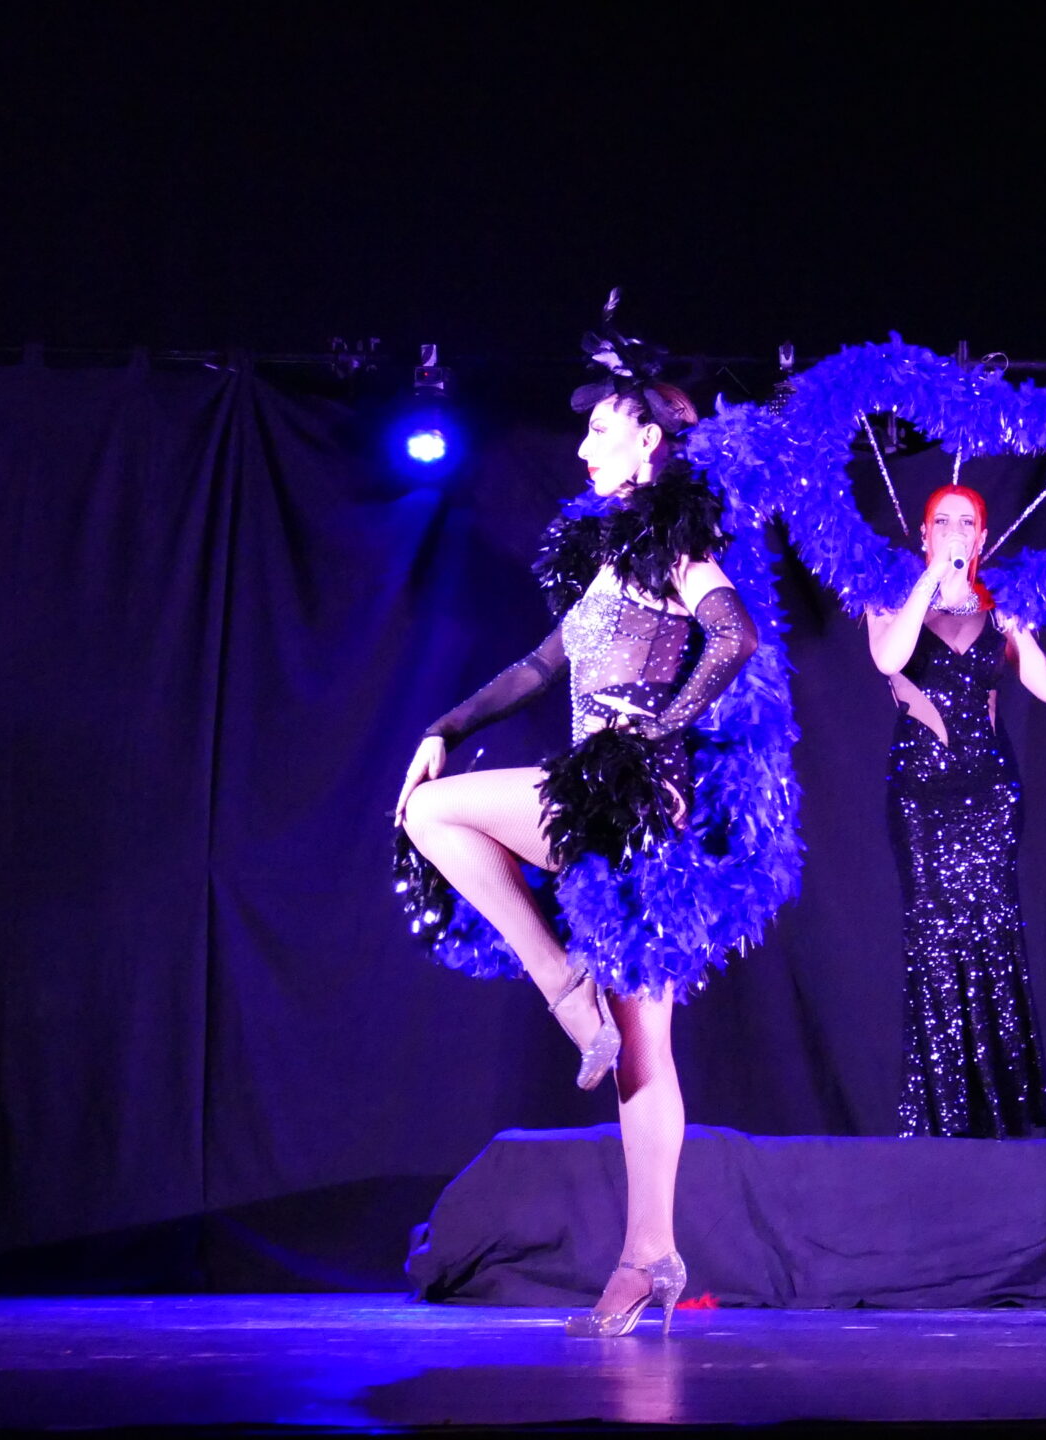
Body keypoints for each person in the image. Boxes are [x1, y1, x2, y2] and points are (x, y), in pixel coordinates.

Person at [392, 351, 760, 1339]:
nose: (584, 446)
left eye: (602, 430)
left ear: (647, 441)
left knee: (432, 815)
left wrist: (661, 726)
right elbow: (534, 667)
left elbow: (734, 636)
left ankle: (563, 989)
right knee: (644, 1050)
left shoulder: (676, 545)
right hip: (608, 802)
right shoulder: (614, 556)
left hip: (626, 804)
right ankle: (651, 1256)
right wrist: (443, 727)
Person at [863, 483, 1046, 1137]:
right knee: (933, 938)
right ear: (924, 533)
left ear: (982, 538)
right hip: (921, 795)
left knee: (992, 934)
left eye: (967, 522)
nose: (955, 531)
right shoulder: (886, 596)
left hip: (990, 796)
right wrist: (931, 579)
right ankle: (939, 1112)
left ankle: (1000, 1109)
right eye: (942, 521)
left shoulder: (1002, 610)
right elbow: (888, 658)